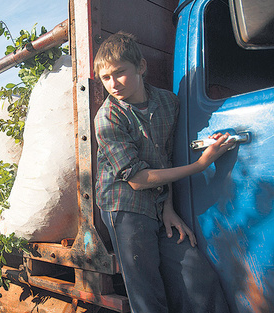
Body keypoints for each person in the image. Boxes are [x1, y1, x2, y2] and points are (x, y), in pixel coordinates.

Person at [93, 32, 231, 313]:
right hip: (125, 207)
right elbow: (136, 179)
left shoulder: (169, 102)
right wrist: (201, 165)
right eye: (106, 77)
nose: (113, 84)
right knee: (147, 294)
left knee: (197, 277)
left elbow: (164, 157)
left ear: (141, 67)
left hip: (158, 203)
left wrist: (168, 207)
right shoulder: (108, 117)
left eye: (120, 73)